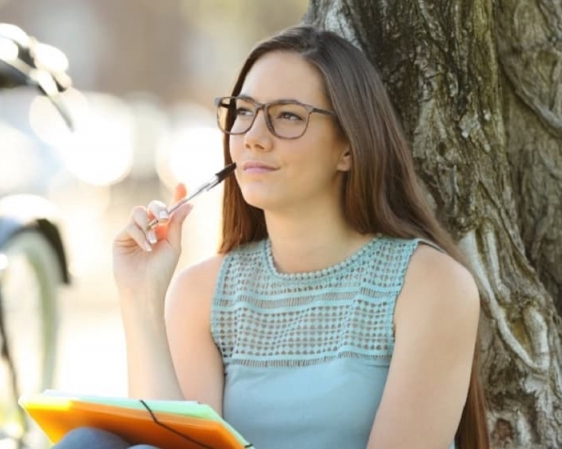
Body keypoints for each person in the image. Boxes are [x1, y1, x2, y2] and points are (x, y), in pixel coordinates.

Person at [55, 25, 488, 449]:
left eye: (287, 117)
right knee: (87, 443)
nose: (254, 139)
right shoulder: (202, 292)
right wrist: (141, 294)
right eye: (244, 112)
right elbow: (174, 444)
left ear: (349, 147)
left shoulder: (430, 286)